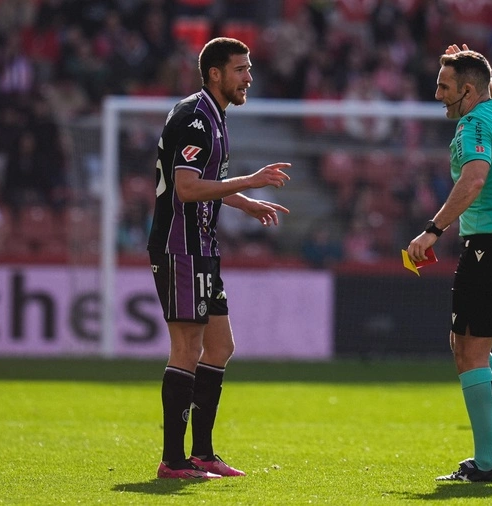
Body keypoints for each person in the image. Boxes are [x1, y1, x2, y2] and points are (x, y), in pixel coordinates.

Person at [147, 37, 292, 480]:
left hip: (203, 246)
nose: (249, 77)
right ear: (215, 73)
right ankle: (174, 460)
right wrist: (250, 181)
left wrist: (245, 202)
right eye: (241, 69)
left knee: (221, 346)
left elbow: (209, 183)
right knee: (187, 346)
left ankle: (204, 453)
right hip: (181, 244)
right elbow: (187, 188)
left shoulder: (212, 115)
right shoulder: (195, 117)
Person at [407, 44, 492, 483]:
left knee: (472, 352)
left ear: (466, 90)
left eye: (444, 86)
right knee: (465, 345)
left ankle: (486, 464)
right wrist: (475, 62)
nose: (437, 93)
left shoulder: (475, 125)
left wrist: (432, 229)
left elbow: (474, 179)